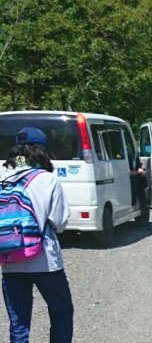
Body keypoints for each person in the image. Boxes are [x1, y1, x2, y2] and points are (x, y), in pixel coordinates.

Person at [1, 127, 73, 342]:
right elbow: (59, 222)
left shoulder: (2, 176)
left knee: (19, 323)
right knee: (61, 312)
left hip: (10, 258)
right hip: (45, 261)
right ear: (42, 150)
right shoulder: (47, 179)